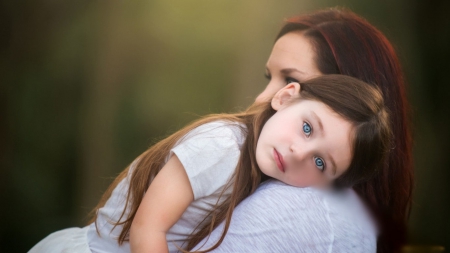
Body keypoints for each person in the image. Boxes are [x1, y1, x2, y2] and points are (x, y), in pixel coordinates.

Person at [29, 74, 391, 253]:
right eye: (308, 127)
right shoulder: (222, 146)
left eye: (320, 162)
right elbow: (147, 229)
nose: (298, 153)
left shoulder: (259, 165)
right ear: (285, 96)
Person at [195, 8, 413, 253]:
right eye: (270, 78)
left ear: (346, 96)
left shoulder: (299, 205)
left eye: (289, 80)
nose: (262, 98)